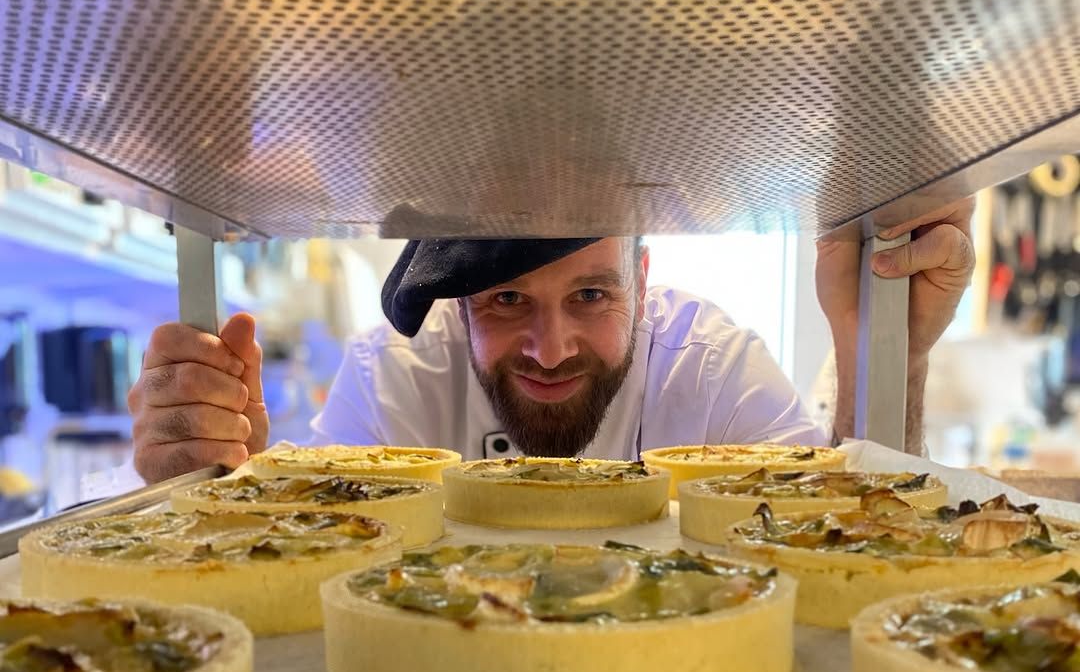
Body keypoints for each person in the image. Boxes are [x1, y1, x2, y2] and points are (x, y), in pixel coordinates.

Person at [129, 201, 975, 482]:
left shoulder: (710, 366)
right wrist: (218, 487)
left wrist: (886, 354)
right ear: (456, 306)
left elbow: (843, 539)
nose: (549, 346)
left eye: (592, 294)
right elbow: (306, 563)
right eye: (504, 300)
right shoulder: (394, 375)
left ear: (645, 280)